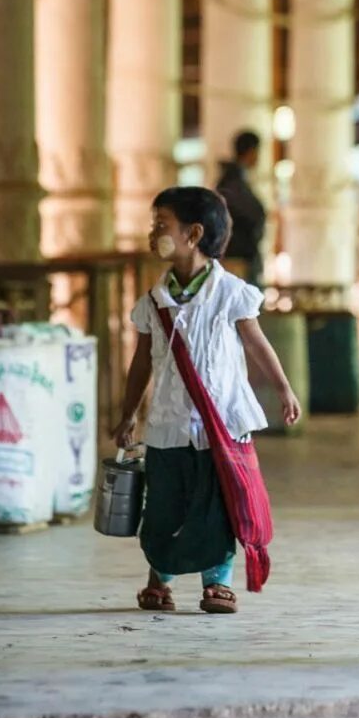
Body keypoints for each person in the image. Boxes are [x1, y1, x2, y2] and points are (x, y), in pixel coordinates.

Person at [111, 186, 300, 615]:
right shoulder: (151, 303)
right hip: (166, 426)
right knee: (162, 507)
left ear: (193, 234)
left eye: (162, 224)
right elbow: (141, 362)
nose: (152, 232)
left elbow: (257, 344)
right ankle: (159, 579)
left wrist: (284, 387)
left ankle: (218, 582)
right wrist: (128, 416)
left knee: (216, 507)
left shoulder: (232, 293)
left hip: (221, 425)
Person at [216, 131, 267, 287]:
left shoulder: (235, 180)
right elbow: (252, 215)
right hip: (239, 262)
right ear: (251, 152)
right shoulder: (232, 182)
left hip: (241, 259)